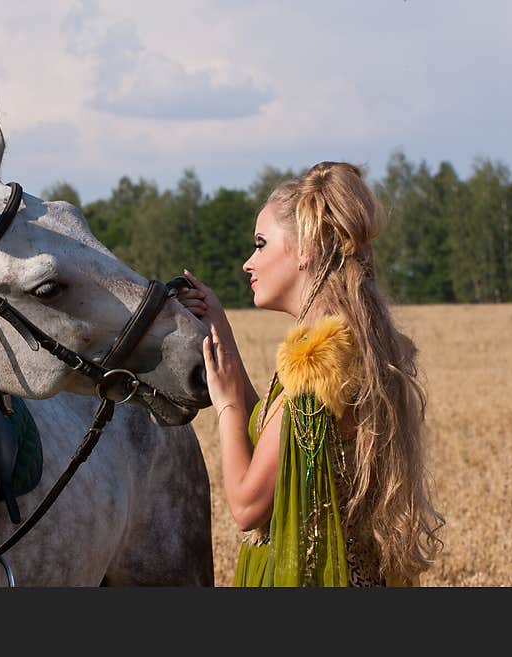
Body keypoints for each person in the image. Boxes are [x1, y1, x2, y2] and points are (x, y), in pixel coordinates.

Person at [177, 161, 444, 587]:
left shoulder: (317, 370)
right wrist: (221, 330)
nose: (249, 262)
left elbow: (248, 507)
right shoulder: (346, 346)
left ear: (305, 250)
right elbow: (275, 440)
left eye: (261, 244)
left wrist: (226, 403)